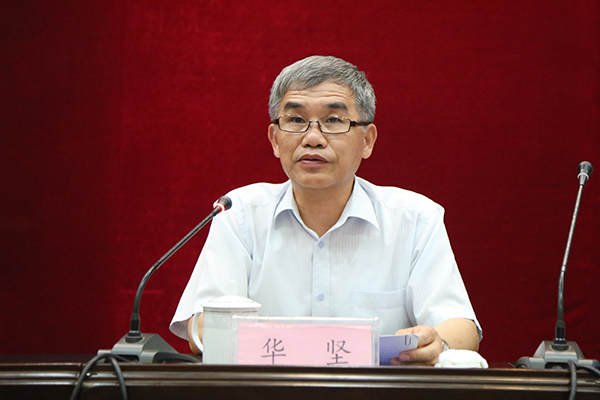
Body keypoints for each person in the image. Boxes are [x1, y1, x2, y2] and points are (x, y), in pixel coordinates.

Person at [170, 55, 481, 366]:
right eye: (295, 120)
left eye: (333, 121)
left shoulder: (415, 219)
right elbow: (200, 330)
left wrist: (437, 343)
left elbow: (461, 327)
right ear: (275, 139)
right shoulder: (238, 214)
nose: (313, 138)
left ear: (367, 141)